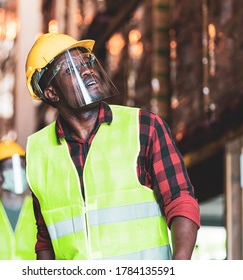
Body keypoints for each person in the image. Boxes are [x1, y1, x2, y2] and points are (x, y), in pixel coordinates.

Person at [24, 32, 200, 260]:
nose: (87, 71)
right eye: (71, 69)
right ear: (51, 92)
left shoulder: (144, 127)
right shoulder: (39, 152)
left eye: (87, 62)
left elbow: (180, 201)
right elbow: (46, 239)